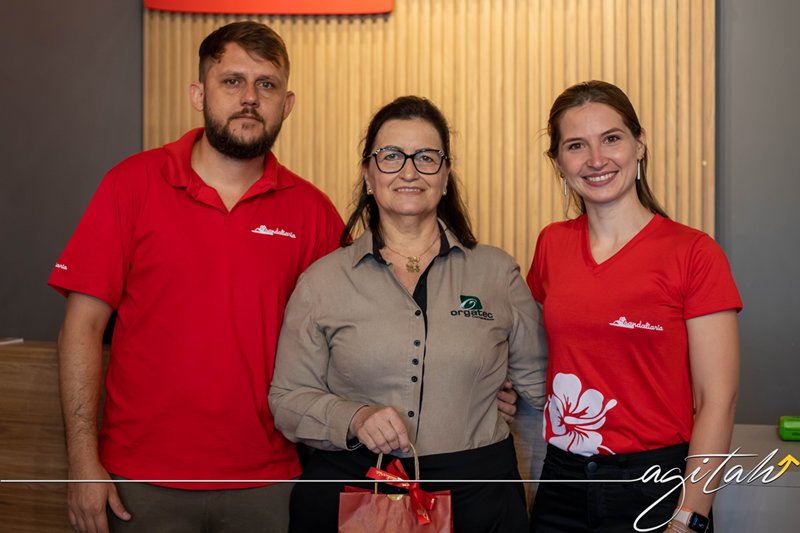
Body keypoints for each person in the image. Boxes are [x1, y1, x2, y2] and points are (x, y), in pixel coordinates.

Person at [48, 21, 345, 533]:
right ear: (198, 94)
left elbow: (350, 338)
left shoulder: (314, 212)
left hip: (270, 482)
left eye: (267, 84)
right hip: (139, 479)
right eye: (232, 81)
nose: (249, 98)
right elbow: (82, 329)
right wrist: (82, 460)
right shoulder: (131, 185)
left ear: (287, 104)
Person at [268, 95, 548, 533]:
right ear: (368, 174)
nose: (410, 171)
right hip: (356, 494)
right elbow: (287, 400)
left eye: (426, 157)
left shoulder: (497, 272)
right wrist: (354, 417)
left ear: (446, 176)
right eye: (391, 156)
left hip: (480, 498)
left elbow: (547, 386)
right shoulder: (322, 281)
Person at [525, 80, 741, 533]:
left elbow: (717, 401)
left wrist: (689, 516)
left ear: (639, 144)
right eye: (576, 145)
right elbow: (538, 348)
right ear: (558, 162)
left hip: (656, 486)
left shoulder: (694, 253)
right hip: (561, 480)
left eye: (611, 138)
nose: (596, 159)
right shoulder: (551, 245)